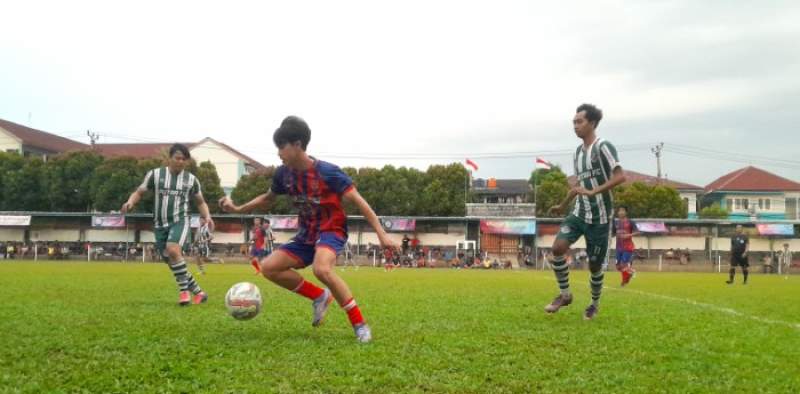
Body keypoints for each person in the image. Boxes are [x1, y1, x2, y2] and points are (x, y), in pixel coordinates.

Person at [219, 116, 398, 343]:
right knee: (269, 267)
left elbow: (359, 201)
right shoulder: (283, 174)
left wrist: (381, 233)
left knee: (321, 269)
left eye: (281, 147)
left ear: (297, 145)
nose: (278, 153)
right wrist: (238, 208)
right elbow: (268, 198)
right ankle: (319, 296)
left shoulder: (329, 172)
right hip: (306, 235)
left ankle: (360, 324)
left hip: (331, 230)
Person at [544, 103, 626, 320]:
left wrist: (593, 191)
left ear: (592, 123)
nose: (575, 126)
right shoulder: (578, 153)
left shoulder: (604, 147)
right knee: (558, 248)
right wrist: (562, 205)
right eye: (574, 122)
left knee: (595, 265)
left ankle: (594, 304)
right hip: (579, 212)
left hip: (600, 217)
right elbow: (579, 186)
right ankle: (565, 295)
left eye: (579, 121)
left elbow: (620, 176)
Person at [121, 143, 211, 306]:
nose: (181, 161)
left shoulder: (191, 180)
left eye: (184, 159)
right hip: (160, 224)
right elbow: (139, 192)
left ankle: (184, 293)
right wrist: (129, 202)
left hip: (180, 221)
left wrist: (208, 216)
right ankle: (199, 292)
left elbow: (200, 202)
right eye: (177, 158)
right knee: (173, 262)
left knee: (173, 249)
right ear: (169, 158)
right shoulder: (155, 175)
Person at [613, 205, 639, 286]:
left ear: (626, 212)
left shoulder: (630, 222)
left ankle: (625, 279)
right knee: (618, 267)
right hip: (618, 247)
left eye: (623, 210)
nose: (621, 212)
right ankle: (629, 273)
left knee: (623, 264)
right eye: (619, 210)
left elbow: (638, 232)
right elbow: (613, 233)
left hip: (627, 247)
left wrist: (628, 235)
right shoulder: (616, 222)